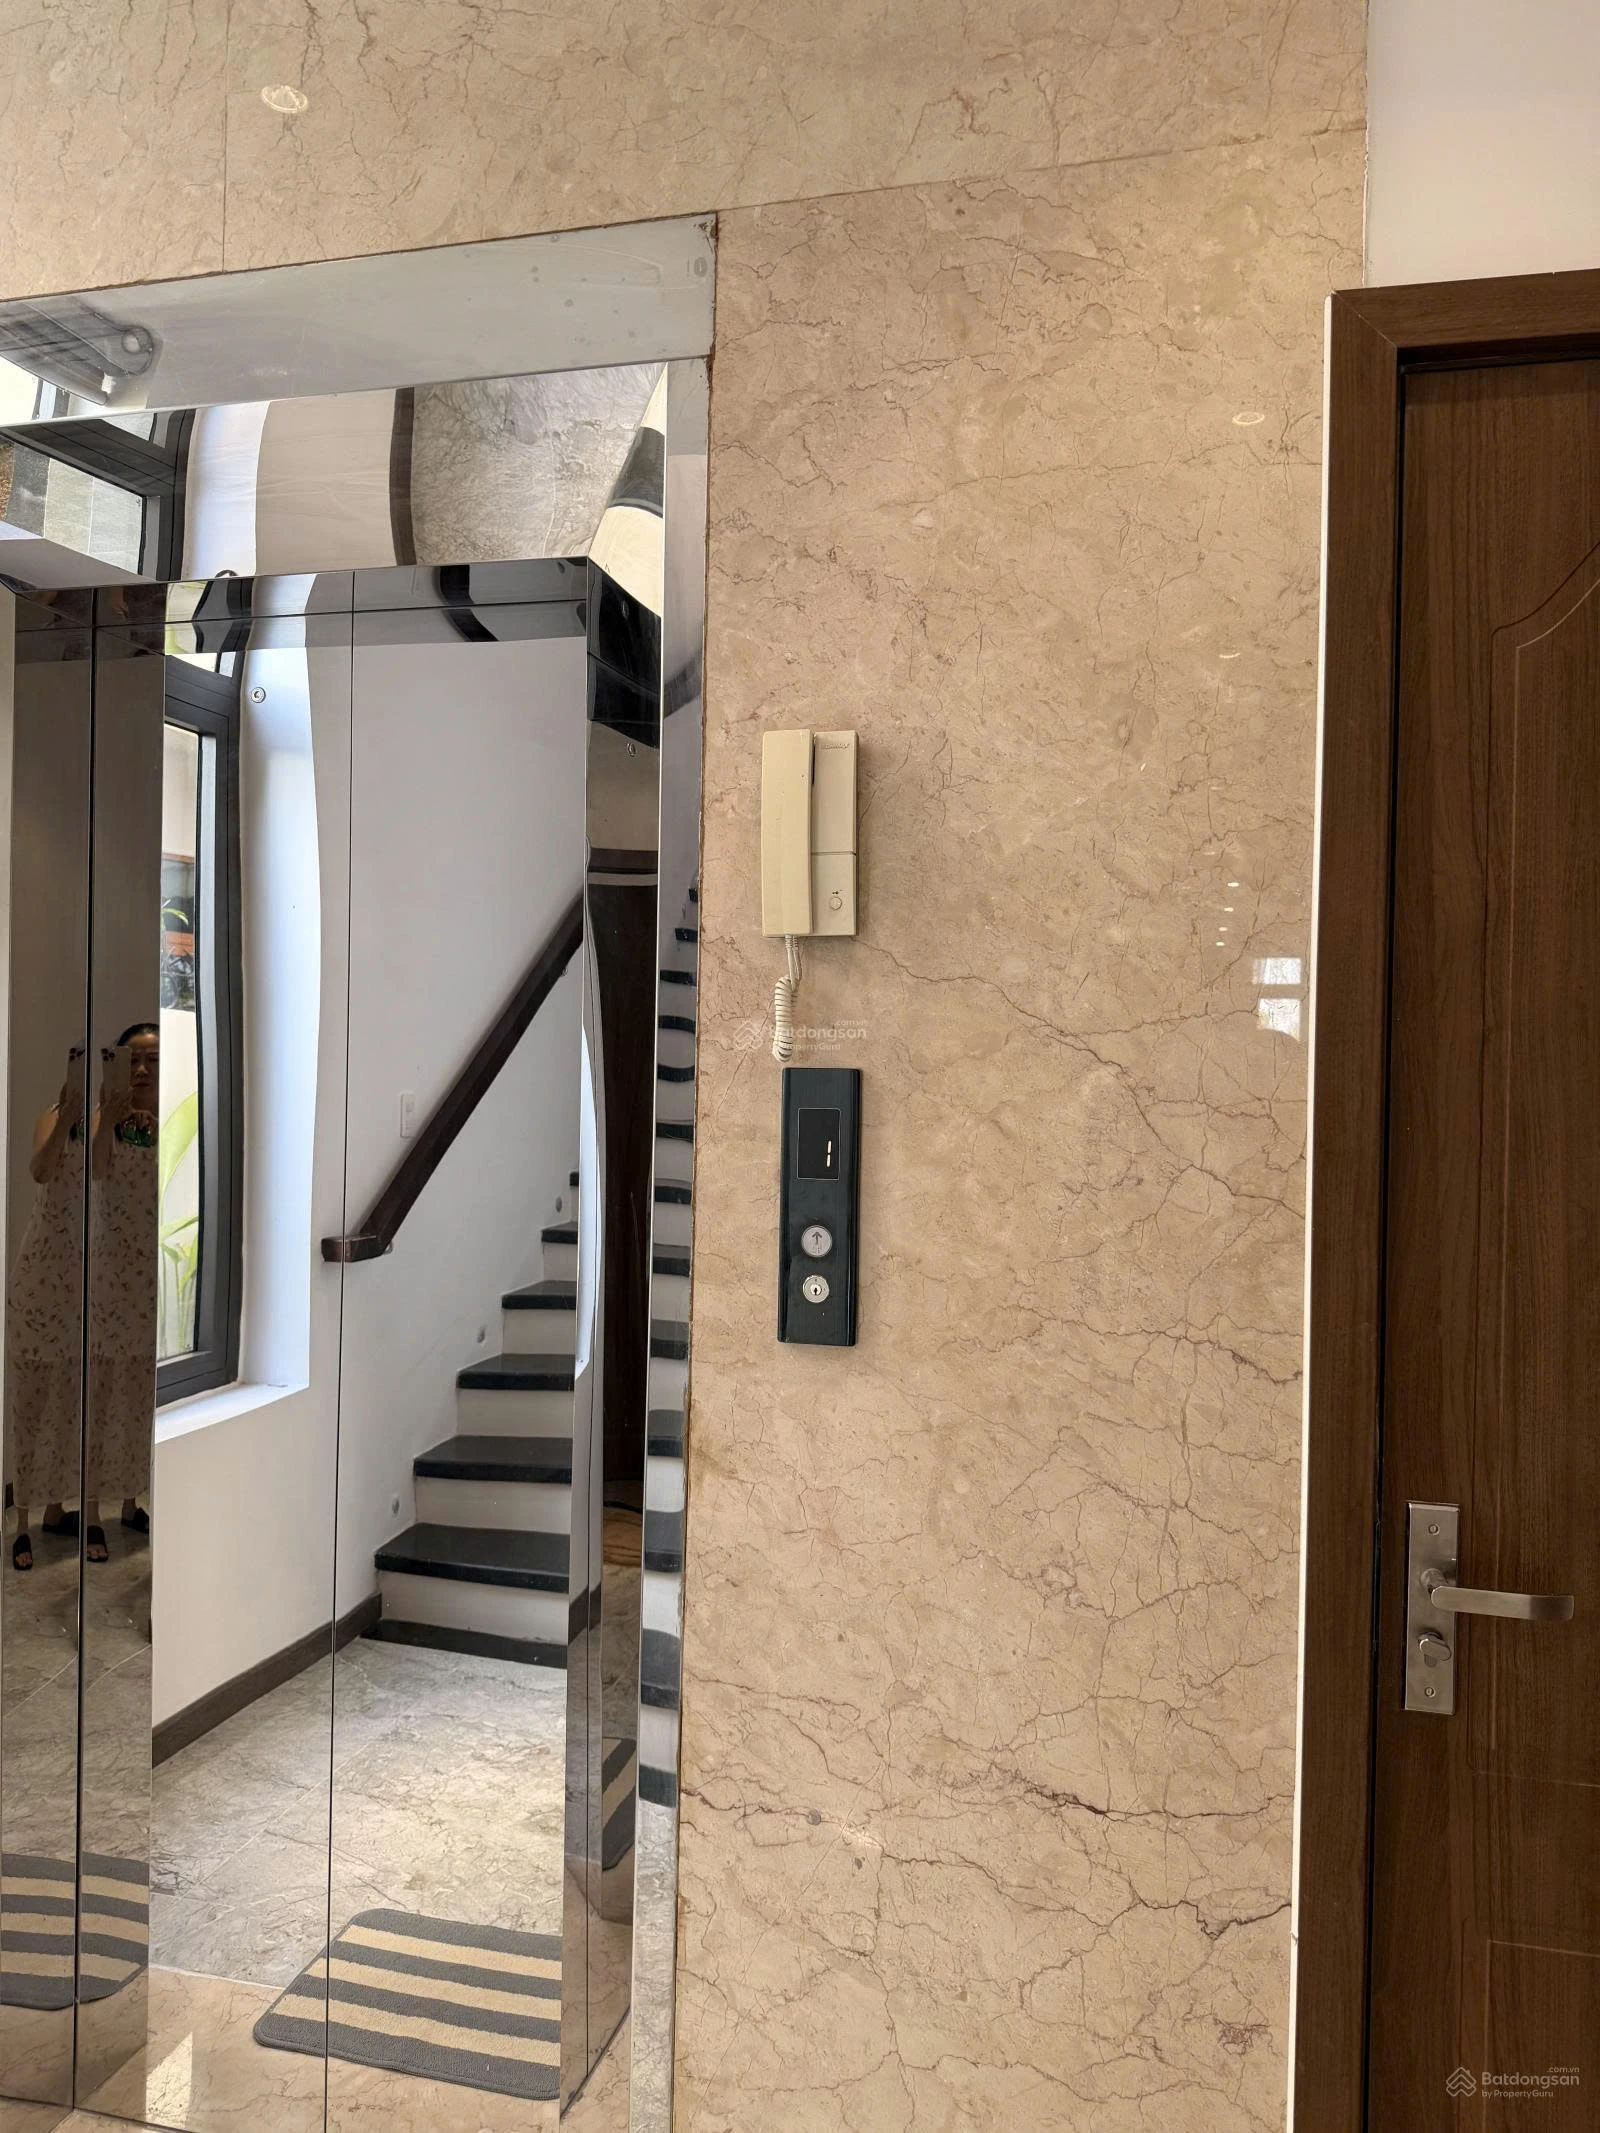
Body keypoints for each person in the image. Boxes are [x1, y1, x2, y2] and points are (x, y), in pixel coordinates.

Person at [7, 1029, 157, 1571]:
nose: (141, 1070)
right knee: (38, 1397)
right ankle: (24, 1519)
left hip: (112, 1282)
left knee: (97, 1397)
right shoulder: (68, 1118)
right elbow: (51, 1171)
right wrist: (78, 1114)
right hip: (50, 1278)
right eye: (131, 1060)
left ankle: (73, 1508)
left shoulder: (157, 1128)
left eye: (152, 1060)